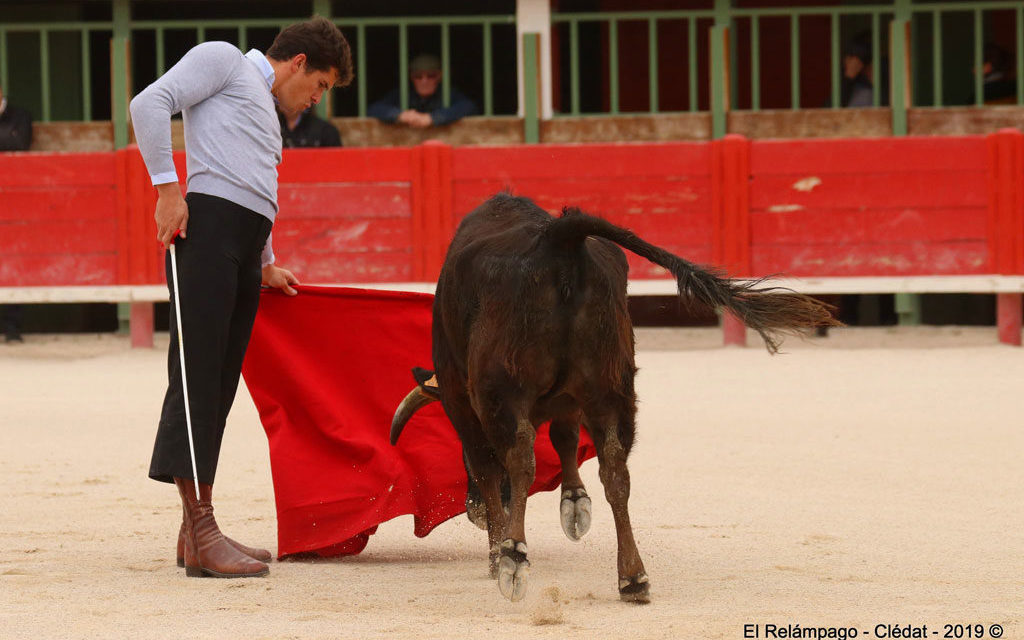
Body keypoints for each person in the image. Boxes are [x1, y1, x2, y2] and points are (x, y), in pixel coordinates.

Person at [129, 16, 353, 579]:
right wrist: (166, 189)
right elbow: (148, 104)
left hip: (241, 245)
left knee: (219, 383)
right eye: (320, 85)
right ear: (298, 63)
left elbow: (257, 183)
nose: (315, 98)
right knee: (198, 378)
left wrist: (267, 262)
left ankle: (193, 533)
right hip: (204, 235)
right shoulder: (225, 60)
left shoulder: (267, 112)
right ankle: (202, 527)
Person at [0, 83, 32, 343]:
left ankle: (12, 329)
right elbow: (10, 140)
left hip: (16, 199)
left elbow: (19, 143)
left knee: (14, 258)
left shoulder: (20, 115)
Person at [368, 53, 477, 128]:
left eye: (431, 75)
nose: (424, 81)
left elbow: (469, 107)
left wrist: (433, 118)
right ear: (411, 77)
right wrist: (400, 115)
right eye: (418, 76)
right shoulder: (402, 95)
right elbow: (374, 109)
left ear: (440, 76)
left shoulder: (448, 94)